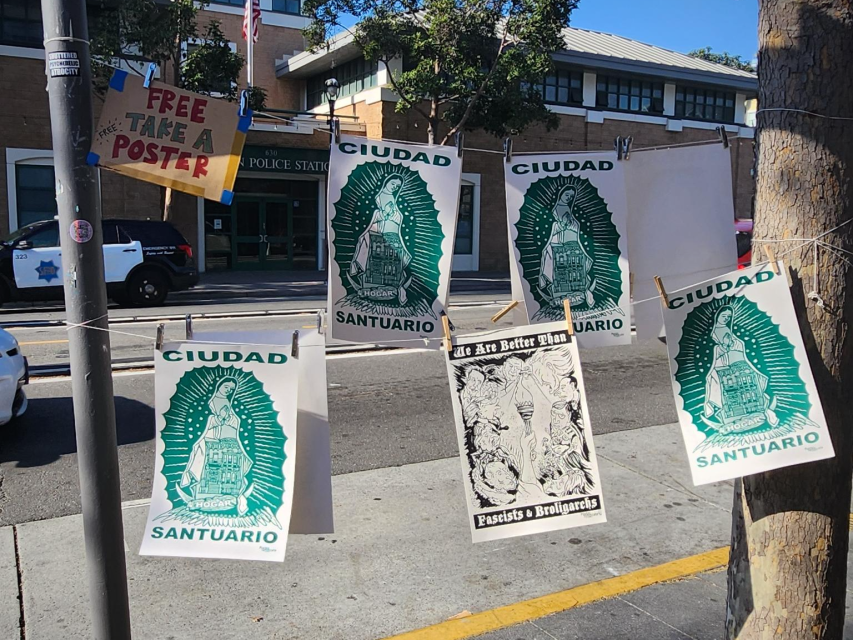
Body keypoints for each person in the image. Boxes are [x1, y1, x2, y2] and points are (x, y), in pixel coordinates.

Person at [181, 377, 254, 514]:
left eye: (231, 389)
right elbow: (203, 420)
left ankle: (229, 495)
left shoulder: (228, 402)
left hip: (228, 441)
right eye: (226, 386)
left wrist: (230, 419)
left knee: (237, 464)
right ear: (219, 385)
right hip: (211, 440)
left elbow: (234, 421)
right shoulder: (207, 402)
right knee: (206, 464)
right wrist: (218, 419)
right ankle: (203, 496)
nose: (228, 390)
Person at [703, 305, 778, 428]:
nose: (726, 318)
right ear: (717, 316)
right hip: (724, 366)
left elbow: (737, 344)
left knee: (757, 381)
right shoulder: (713, 331)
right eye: (724, 316)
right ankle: (729, 417)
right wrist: (723, 347)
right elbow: (715, 349)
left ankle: (761, 411)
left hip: (739, 364)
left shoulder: (728, 329)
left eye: (728, 317)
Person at [349, 174, 412, 304]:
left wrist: (392, 216)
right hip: (377, 235)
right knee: (371, 256)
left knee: (395, 263)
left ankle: (395, 288)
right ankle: (369, 285)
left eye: (397, 186)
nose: (394, 187)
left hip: (392, 236)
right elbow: (373, 220)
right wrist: (383, 215)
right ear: (387, 182)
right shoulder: (378, 199)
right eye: (393, 184)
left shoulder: (394, 201)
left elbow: (397, 221)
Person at [539, 184, 595, 308]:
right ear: (561, 194)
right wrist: (561, 225)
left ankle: (576, 294)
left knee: (579, 267)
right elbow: (551, 226)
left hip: (572, 246)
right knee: (559, 271)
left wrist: (572, 224)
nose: (569, 198)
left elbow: (573, 227)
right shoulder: (554, 209)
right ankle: (559, 295)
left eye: (571, 196)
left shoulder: (568, 209)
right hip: (557, 245)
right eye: (567, 195)